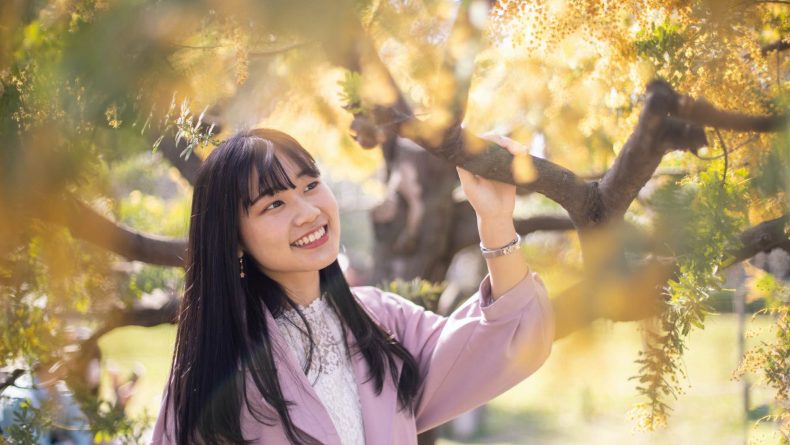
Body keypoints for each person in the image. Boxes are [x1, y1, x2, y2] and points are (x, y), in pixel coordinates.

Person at [151, 128, 554, 445]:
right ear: (232, 236)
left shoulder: (382, 323)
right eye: (274, 204)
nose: (308, 212)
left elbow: (510, 340)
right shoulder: (217, 362)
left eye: (310, 186)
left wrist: (496, 221)